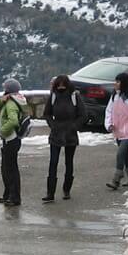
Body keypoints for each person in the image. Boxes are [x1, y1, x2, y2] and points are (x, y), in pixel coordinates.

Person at [42, 74, 87, 202]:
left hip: (70, 134)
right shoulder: (53, 96)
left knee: (69, 162)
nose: (61, 87)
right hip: (56, 133)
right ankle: (50, 193)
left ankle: (66, 190)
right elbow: (47, 113)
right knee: (53, 162)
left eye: (63, 85)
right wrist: (53, 125)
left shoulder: (74, 96)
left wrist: (74, 126)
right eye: (59, 85)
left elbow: (83, 115)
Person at [0, 78, 29, 206]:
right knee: (6, 168)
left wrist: (2, 131)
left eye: (5, 88)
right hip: (11, 140)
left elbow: (13, 121)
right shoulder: (12, 100)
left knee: (11, 169)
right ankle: (8, 195)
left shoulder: (11, 103)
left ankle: (14, 198)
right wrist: (2, 100)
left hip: (10, 139)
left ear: (8, 90)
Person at [103, 72, 128, 190]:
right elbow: (108, 111)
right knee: (125, 155)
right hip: (117, 131)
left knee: (120, 153)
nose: (115, 84)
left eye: (118, 81)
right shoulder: (114, 97)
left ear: (124, 83)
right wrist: (109, 125)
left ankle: (116, 178)